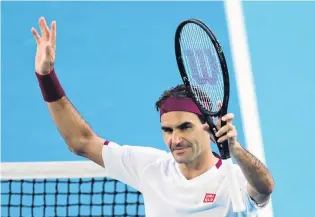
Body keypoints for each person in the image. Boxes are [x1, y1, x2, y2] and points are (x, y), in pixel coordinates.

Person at [31, 17, 274, 217]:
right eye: (167, 130)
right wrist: (46, 77)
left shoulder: (232, 178)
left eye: (184, 127)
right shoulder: (151, 168)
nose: (175, 139)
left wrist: (237, 150)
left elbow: (264, 188)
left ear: (207, 126)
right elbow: (81, 142)